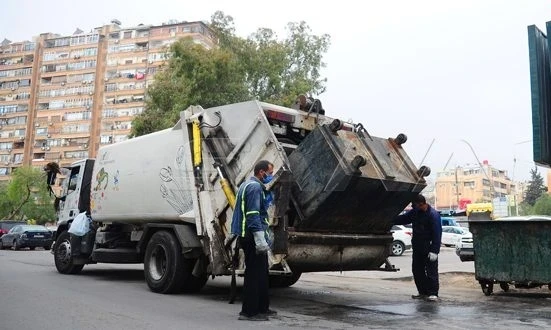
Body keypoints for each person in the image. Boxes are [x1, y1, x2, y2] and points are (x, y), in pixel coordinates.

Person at [230, 160, 277, 321]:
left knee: (262, 272)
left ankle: (263, 308)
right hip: (251, 236)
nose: (271, 176)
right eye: (270, 173)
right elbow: (252, 215)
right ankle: (249, 312)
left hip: (252, 235)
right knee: (254, 274)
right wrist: (259, 238)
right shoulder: (255, 188)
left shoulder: (248, 184)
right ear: (262, 172)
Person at [394, 194, 442, 302]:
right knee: (417, 270)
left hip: (429, 248)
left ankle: (433, 293)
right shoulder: (415, 212)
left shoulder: (433, 215)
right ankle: (422, 292)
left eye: (414, 205)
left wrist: (434, 250)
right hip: (417, 247)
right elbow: (404, 219)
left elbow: (437, 233)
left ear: (421, 204)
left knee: (431, 271)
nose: (412, 208)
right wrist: (390, 219)